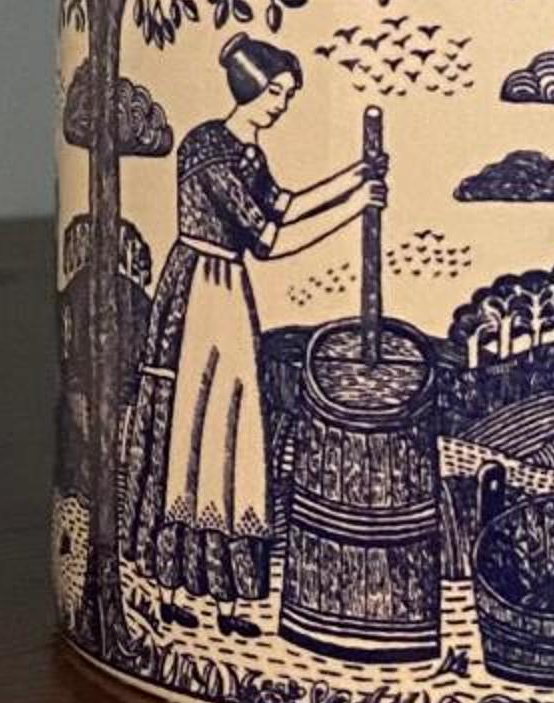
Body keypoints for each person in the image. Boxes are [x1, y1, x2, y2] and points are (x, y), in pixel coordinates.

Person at [118, 35, 383, 605]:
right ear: (249, 86)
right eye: (275, 92)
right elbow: (269, 238)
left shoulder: (249, 154)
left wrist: (356, 178)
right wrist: (355, 207)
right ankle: (175, 585)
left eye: (286, 95)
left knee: (234, 421)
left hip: (230, 293)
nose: (280, 104)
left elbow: (284, 203)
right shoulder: (208, 150)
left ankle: (226, 590)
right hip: (198, 289)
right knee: (195, 423)